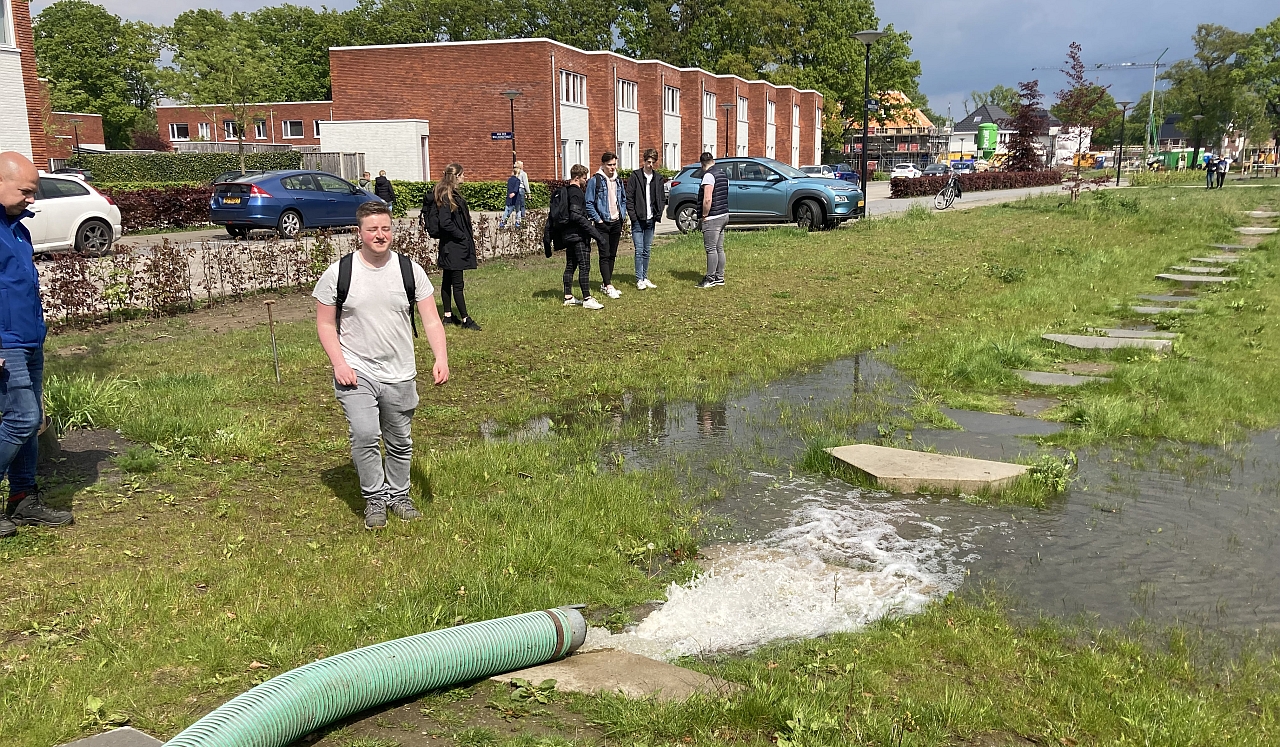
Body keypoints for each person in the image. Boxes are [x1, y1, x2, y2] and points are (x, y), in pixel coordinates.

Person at [314, 201, 449, 530]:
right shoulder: (340, 273)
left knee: (400, 440)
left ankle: (399, 495)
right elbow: (325, 324)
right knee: (364, 434)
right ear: (359, 233)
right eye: (372, 229)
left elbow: (431, 319)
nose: (380, 235)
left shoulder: (409, 270)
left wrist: (441, 357)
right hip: (356, 371)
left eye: (385, 228)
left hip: (400, 371)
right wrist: (339, 363)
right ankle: (374, 498)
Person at [0, 152, 74, 538]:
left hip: (29, 341)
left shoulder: (18, 229)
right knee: (21, 419)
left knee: (32, 425)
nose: (32, 200)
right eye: (25, 191)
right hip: (4, 344)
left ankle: (23, 499)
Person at [433, 163, 481, 330]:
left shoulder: (445, 193)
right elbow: (445, 222)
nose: (464, 177)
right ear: (456, 176)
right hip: (454, 246)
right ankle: (466, 319)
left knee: (447, 280)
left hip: (449, 245)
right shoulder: (448, 195)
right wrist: (461, 236)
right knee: (457, 284)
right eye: (462, 174)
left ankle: (447, 315)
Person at [557, 164, 605, 310]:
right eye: (584, 178)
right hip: (578, 235)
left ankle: (568, 296)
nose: (586, 180)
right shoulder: (576, 193)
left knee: (570, 265)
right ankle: (587, 298)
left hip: (568, 235)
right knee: (585, 266)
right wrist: (596, 235)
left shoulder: (565, 190)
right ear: (577, 178)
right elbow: (576, 215)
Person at [584, 152, 626, 299]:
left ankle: (605, 283)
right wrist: (599, 220)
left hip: (616, 221)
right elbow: (589, 203)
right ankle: (608, 285)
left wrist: (622, 216)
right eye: (609, 165)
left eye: (614, 164)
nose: (612, 168)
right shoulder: (595, 180)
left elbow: (623, 199)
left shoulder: (617, 180)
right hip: (603, 223)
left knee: (612, 254)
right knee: (604, 254)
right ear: (603, 165)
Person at [625, 148, 667, 290]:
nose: (650, 165)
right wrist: (633, 216)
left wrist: (658, 213)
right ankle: (639, 279)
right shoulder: (635, 176)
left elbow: (661, 197)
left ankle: (644, 276)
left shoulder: (658, 178)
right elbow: (629, 198)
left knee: (647, 250)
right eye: (648, 162)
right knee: (639, 249)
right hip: (638, 219)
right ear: (643, 161)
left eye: (653, 162)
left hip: (651, 219)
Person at [696, 151, 729, 288]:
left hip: (713, 216)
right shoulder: (722, 173)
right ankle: (719, 277)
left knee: (711, 249)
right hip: (724, 214)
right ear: (713, 161)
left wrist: (704, 215)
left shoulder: (708, 176)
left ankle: (710, 278)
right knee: (719, 248)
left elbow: (707, 199)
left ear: (702, 164)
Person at [500, 163, 526, 229]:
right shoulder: (518, 180)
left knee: (507, 211)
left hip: (509, 198)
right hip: (516, 199)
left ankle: (503, 222)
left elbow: (509, 188)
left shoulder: (509, 180)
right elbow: (516, 188)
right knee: (518, 211)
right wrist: (514, 193)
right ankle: (517, 222)